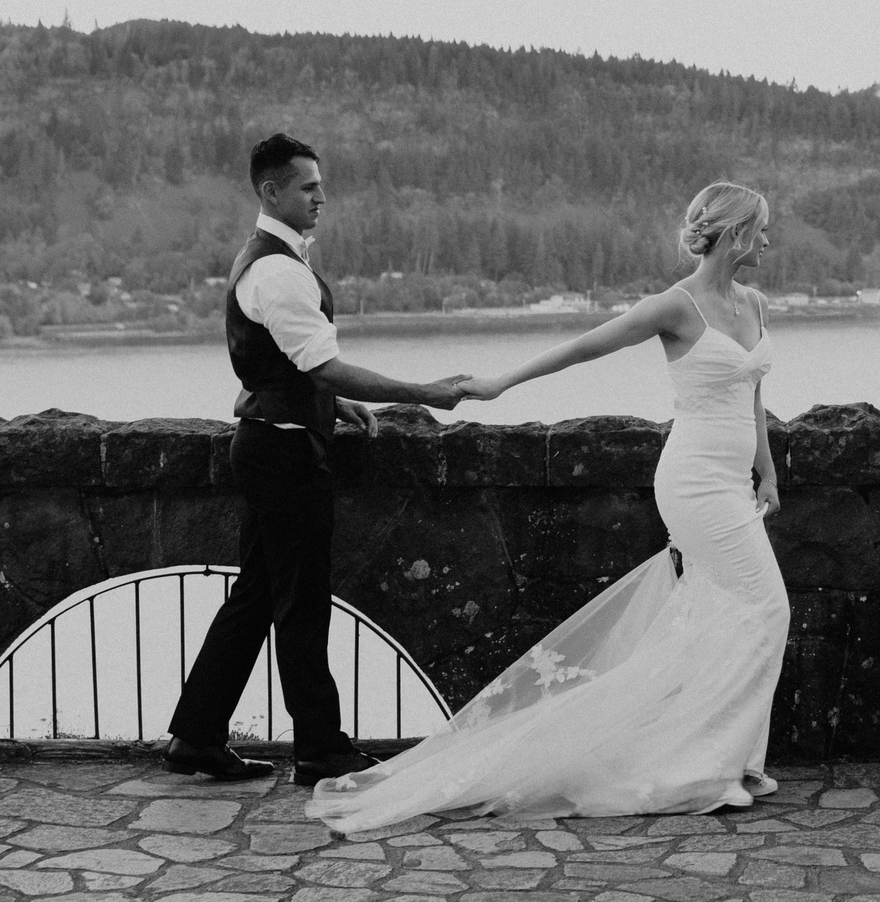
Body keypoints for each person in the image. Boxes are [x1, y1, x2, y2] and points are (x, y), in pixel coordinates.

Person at [307, 180, 787, 829]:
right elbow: (585, 346)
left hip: (734, 478)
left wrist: (766, 466)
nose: (767, 239)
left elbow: (752, 392)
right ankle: (703, 762)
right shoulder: (675, 307)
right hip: (694, 481)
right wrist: (502, 382)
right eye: (760, 228)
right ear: (733, 233)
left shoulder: (754, 302)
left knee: (725, 615)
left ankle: (726, 757)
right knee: (766, 605)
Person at [165, 132, 472, 785]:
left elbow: (287, 368)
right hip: (283, 453)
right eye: (308, 186)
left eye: (321, 185)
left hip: (273, 439)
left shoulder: (268, 259)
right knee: (300, 602)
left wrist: (327, 404)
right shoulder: (277, 270)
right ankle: (319, 749)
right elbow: (323, 364)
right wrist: (428, 392)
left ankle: (195, 736)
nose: (320, 197)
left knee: (256, 594)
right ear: (271, 190)